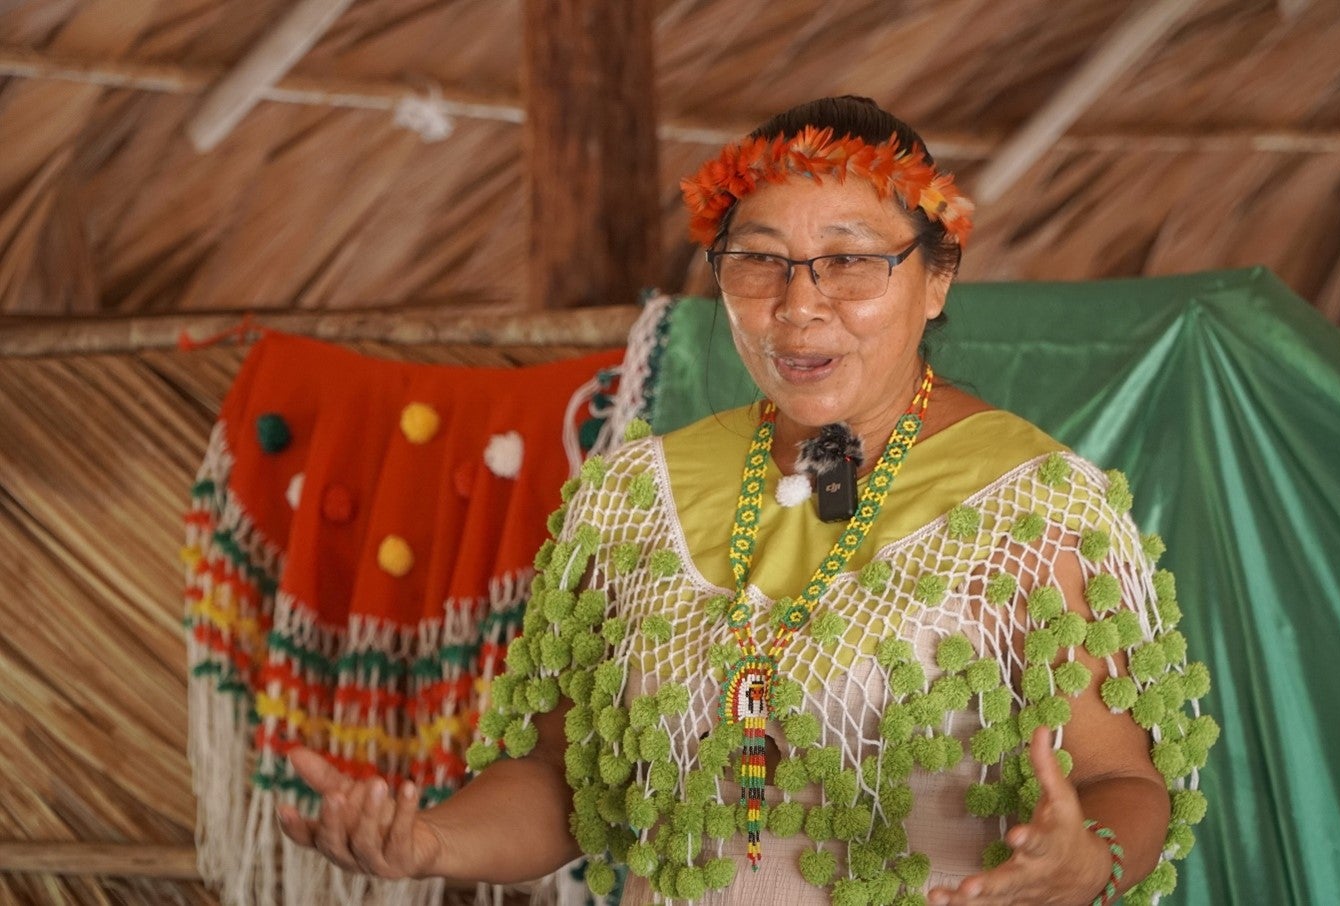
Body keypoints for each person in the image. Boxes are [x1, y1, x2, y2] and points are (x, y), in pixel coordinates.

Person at [279, 96, 1213, 905]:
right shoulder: (634, 500)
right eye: (757, 261)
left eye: (849, 263)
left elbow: (1120, 778)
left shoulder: (1031, 505)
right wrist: (430, 843)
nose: (798, 306)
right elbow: (562, 782)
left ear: (935, 278)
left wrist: (1085, 862)